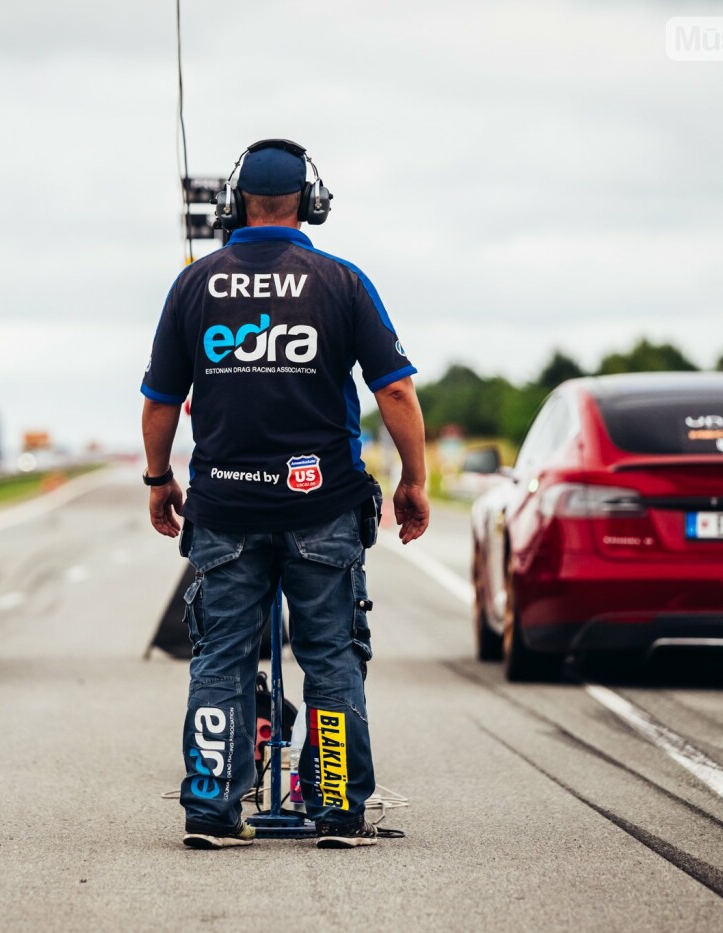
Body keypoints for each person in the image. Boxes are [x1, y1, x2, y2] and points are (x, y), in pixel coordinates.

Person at [140, 138, 428, 850]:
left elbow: (160, 401)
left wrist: (157, 478)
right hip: (321, 504)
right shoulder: (342, 280)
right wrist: (413, 479)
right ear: (311, 203)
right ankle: (333, 806)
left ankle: (211, 805)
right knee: (331, 656)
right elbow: (393, 388)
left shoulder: (195, 283)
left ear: (237, 203)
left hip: (225, 506)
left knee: (221, 655)